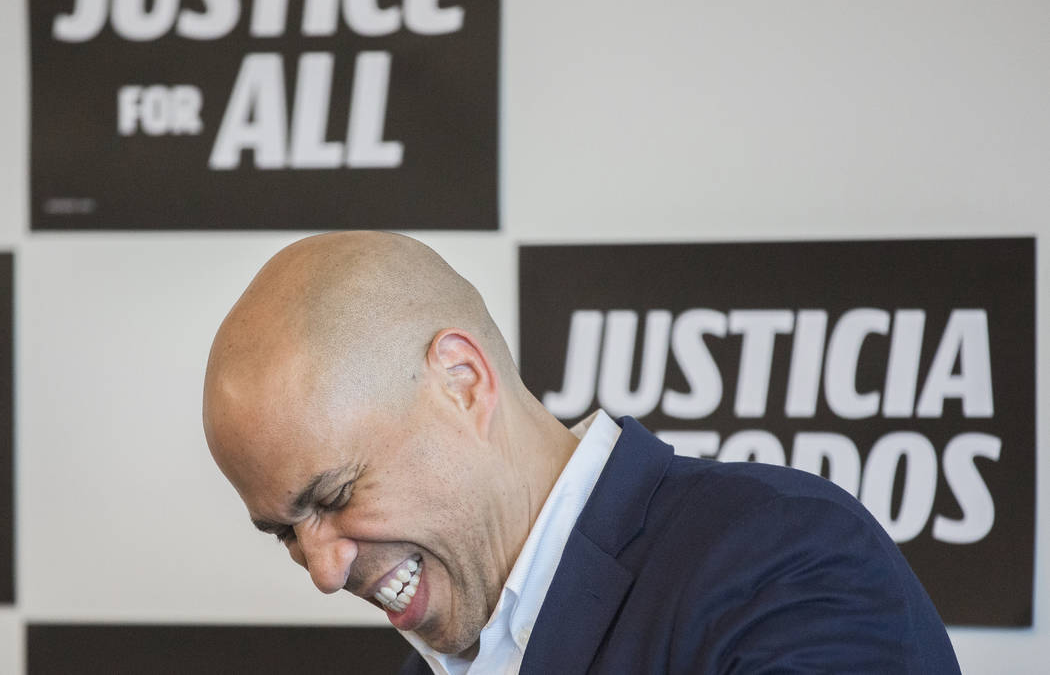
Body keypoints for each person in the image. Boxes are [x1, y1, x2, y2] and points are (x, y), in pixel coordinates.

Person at [203, 231, 961, 674]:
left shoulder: (783, 557)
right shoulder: (443, 650)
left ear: (462, 383)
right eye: (286, 534)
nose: (327, 574)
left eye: (335, 497)